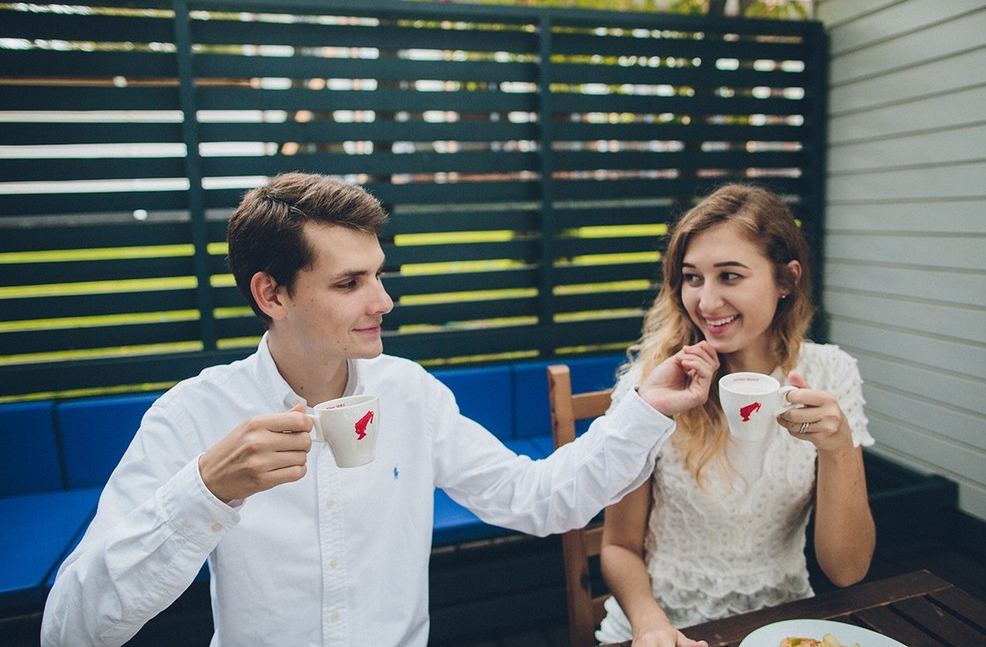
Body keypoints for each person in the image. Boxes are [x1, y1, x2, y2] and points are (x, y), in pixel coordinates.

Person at [41, 172, 721, 647]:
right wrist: (205, 489)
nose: (383, 301)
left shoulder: (408, 392)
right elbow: (72, 627)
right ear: (272, 294)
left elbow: (540, 498)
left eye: (378, 274)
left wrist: (646, 406)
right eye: (349, 282)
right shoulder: (192, 415)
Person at [595, 183, 877, 646]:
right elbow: (618, 546)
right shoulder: (654, 386)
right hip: (666, 628)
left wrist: (838, 448)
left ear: (786, 280)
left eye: (730, 276)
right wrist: (651, 625)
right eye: (692, 277)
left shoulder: (831, 374)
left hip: (784, 628)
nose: (706, 302)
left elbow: (846, 570)